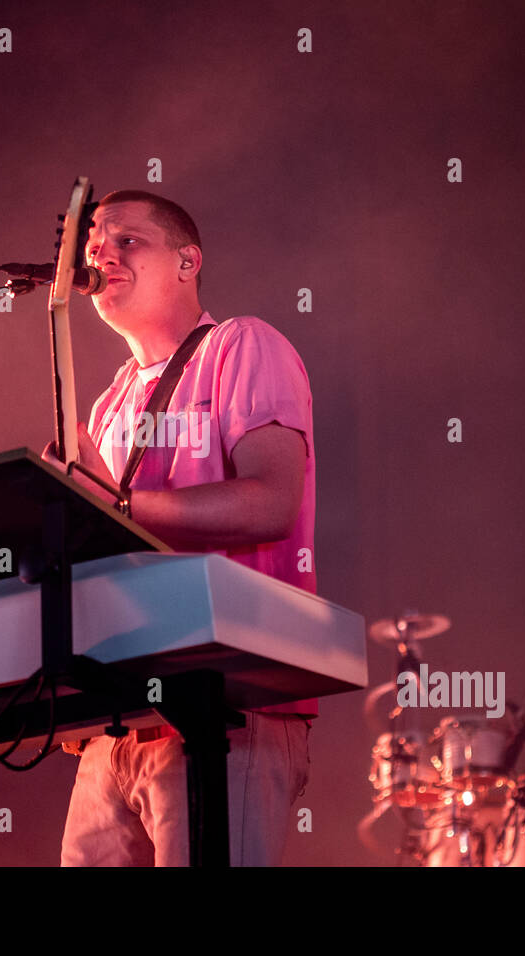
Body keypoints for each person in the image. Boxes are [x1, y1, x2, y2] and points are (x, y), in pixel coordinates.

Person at [43, 189, 317, 866]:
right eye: (93, 243)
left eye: (126, 240)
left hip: (227, 697)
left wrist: (118, 506)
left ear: (188, 261)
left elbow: (272, 503)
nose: (100, 252)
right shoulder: (109, 401)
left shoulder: (241, 345)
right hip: (116, 716)